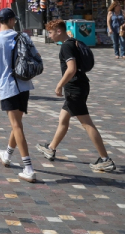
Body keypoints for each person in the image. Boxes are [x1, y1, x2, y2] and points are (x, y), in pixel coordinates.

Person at [36, 20, 116, 173]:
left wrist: (59, 85)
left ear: (59, 31)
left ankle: (105, 159)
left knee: (86, 123)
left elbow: (71, 69)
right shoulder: (72, 41)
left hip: (74, 88)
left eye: (51, 32)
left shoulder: (66, 46)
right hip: (80, 85)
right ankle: (51, 148)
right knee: (63, 120)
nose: (49, 35)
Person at [0, 8, 37, 183]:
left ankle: (28, 168)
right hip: (24, 84)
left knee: (17, 126)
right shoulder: (23, 37)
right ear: (12, 20)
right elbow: (35, 56)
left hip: (7, 86)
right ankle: (7, 155)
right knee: (17, 124)